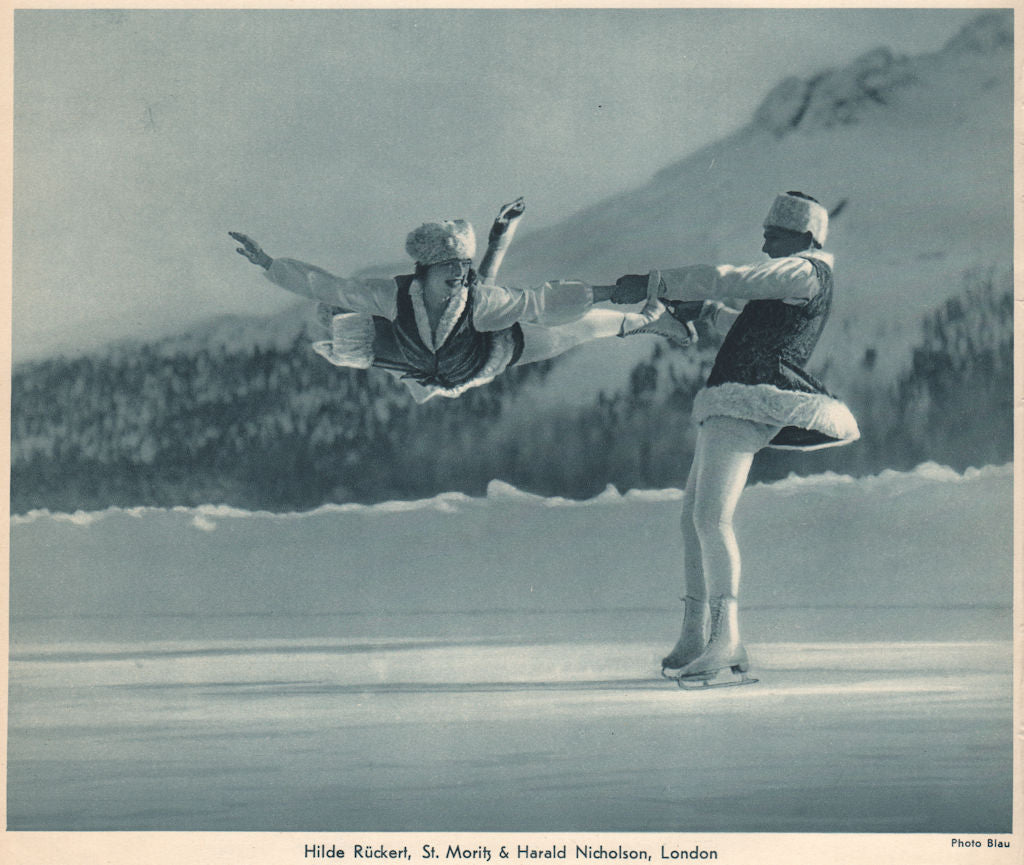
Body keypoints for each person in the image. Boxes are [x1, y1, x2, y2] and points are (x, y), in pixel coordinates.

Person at [613, 191, 860, 685]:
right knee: (693, 520)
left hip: (748, 401)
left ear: (804, 235)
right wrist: (705, 312)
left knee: (710, 517)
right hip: (733, 398)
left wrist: (656, 282)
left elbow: (733, 277)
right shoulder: (794, 280)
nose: (764, 235)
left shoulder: (804, 270)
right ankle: (696, 635)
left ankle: (725, 639)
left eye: (775, 229)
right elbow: (748, 329)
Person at [229, 199, 693, 403]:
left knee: (582, 328)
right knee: (345, 328)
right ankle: (645, 317)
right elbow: (326, 286)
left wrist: (612, 291)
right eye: (450, 269)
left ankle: (648, 317)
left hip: (495, 354)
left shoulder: (477, 297)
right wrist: (269, 263)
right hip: (441, 377)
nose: (459, 276)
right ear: (425, 270)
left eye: (462, 269)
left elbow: (541, 301)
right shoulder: (390, 297)